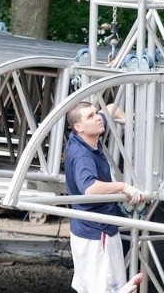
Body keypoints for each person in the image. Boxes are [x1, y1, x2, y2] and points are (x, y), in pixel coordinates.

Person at [64, 101, 145, 293]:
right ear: (78, 127)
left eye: (95, 113)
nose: (98, 118)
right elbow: (90, 188)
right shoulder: (83, 154)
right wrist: (124, 187)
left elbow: (110, 107)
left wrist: (131, 126)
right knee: (105, 288)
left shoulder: (86, 137)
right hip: (96, 232)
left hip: (92, 229)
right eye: (90, 116)